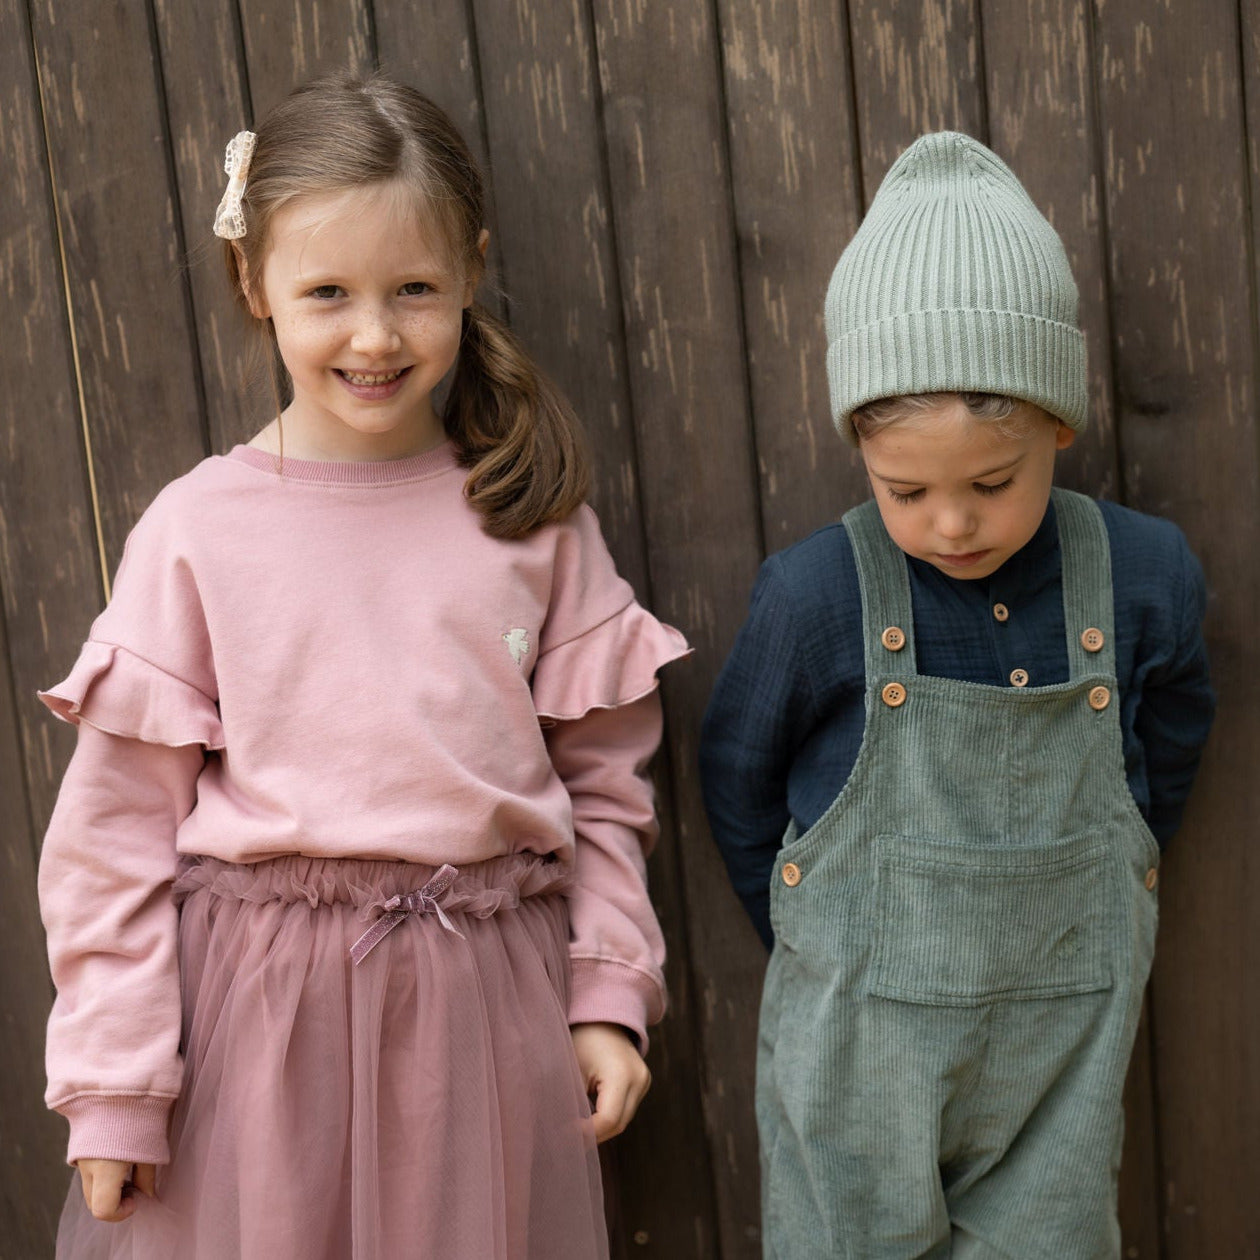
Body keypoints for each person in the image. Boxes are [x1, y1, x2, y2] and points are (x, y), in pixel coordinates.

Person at [38, 72, 688, 1260]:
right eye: (327, 292)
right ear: (254, 284)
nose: (375, 334)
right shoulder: (198, 530)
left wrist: (605, 995)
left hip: (482, 1022)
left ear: (470, 273)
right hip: (259, 1028)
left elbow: (604, 790)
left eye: (415, 291)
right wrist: (115, 1078)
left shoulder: (531, 523)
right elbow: (115, 828)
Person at [699, 132, 1214, 1258]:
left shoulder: (1143, 576)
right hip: (856, 1057)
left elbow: (1172, 728)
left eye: (992, 483)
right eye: (906, 489)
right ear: (859, 456)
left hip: (1058, 1067)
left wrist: (1119, 835)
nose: (950, 523)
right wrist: (814, 923)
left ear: (1058, 425)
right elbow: (738, 777)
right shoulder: (818, 597)